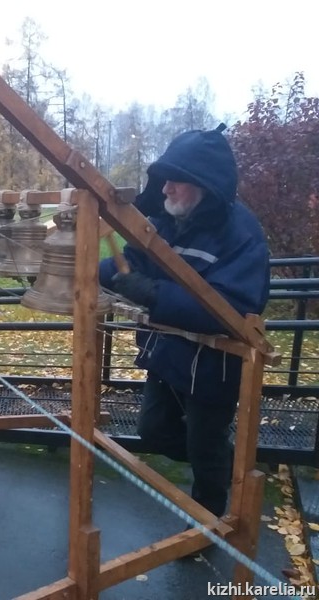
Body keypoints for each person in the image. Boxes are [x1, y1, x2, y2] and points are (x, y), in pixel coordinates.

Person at [99, 124, 270, 518]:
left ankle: (208, 523)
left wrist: (154, 294)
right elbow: (130, 265)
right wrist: (72, 272)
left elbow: (234, 308)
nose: (165, 189)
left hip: (213, 365)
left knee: (204, 447)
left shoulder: (241, 235)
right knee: (153, 431)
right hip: (168, 354)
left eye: (176, 180)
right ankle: (227, 463)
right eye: (164, 179)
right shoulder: (163, 221)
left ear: (203, 185)